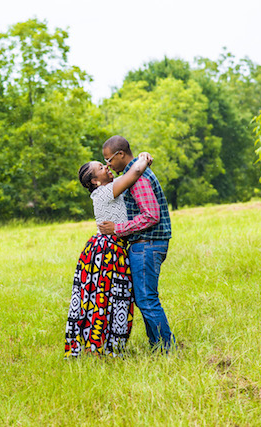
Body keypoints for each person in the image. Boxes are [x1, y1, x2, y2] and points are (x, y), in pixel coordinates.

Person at [64, 152, 153, 358]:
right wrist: (144, 158)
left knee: (107, 297)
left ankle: (100, 345)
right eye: (101, 168)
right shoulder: (104, 193)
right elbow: (135, 172)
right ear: (95, 181)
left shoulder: (109, 190)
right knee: (106, 297)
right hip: (107, 251)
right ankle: (98, 347)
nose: (107, 167)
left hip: (110, 248)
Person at [97, 135, 175, 352]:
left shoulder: (138, 178)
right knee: (145, 299)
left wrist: (117, 229)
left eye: (109, 159)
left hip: (147, 244)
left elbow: (151, 215)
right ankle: (157, 346)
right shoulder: (134, 172)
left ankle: (167, 349)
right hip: (147, 244)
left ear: (120, 154)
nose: (108, 164)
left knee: (147, 300)